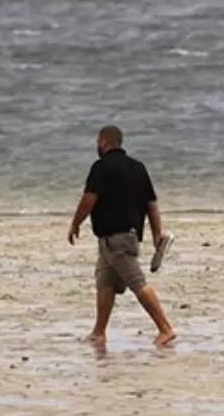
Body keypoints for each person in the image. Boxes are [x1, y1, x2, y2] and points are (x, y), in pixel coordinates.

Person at [67, 125, 177, 347]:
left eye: (98, 142)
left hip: (117, 240)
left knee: (137, 283)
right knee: (104, 282)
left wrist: (75, 223)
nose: (97, 146)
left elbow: (89, 199)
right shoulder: (138, 167)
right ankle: (99, 332)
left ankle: (165, 329)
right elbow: (151, 204)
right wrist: (157, 234)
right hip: (120, 238)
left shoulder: (101, 167)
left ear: (104, 142)